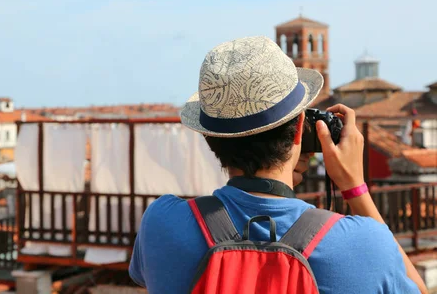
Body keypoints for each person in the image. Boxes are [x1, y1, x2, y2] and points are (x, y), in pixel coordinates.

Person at [128, 36, 427, 294]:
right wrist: (354, 188)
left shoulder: (161, 223)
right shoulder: (365, 245)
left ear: (209, 137)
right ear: (300, 129)